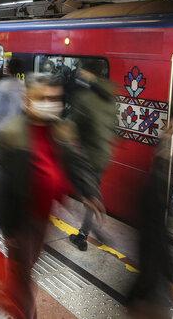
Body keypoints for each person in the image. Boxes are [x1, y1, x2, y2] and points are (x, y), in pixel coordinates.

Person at [0, 74, 104, 319]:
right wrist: (4, 228)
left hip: (44, 216)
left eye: (54, 98)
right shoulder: (10, 134)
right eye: (42, 98)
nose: (49, 103)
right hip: (21, 216)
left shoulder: (62, 128)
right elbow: (1, 186)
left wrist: (89, 191)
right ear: (26, 100)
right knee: (22, 273)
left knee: (25, 269)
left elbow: (78, 162)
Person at [66, 59, 116, 251]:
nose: (79, 73)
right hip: (103, 154)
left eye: (81, 71)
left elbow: (71, 128)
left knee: (86, 194)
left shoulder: (84, 98)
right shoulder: (110, 97)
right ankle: (87, 232)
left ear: (88, 73)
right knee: (91, 193)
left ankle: (85, 233)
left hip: (86, 157)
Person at [0, 58, 25, 152]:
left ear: (8, 69)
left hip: (0, 130)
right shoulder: (23, 86)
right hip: (16, 131)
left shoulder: (2, 85)